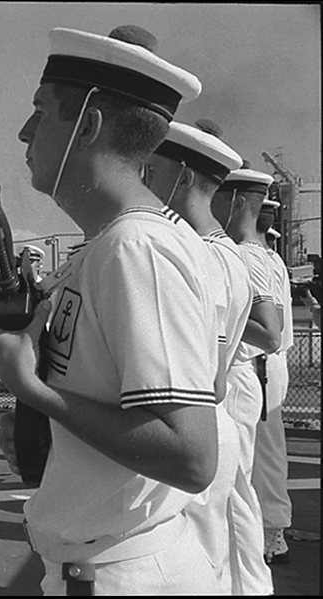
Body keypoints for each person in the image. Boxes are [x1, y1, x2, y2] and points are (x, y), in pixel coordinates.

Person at [0, 25, 222, 594]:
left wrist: (32, 388)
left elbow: (191, 457)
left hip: (123, 576)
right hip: (101, 564)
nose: (25, 131)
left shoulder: (135, 250)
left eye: (41, 111)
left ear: (87, 125)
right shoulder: (107, 247)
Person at [142, 119, 248, 593]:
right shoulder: (229, 255)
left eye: (153, 169)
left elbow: (212, 377)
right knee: (212, 561)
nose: (144, 178)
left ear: (182, 177)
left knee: (200, 565)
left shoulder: (201, 256)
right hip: (212, 422)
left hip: (197, 422)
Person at [211, 167, 281, 595]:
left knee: (235, 495)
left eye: (218, 196)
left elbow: (270, 333)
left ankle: (250, 588)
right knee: (231, 491)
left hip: (238, 375)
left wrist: (219, 315)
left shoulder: (246, 255)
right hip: (239, 375)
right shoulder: (255, 254)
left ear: (236, 202)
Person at [253, 197, 294, 566]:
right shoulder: (273, 260)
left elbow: (272, 326)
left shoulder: (259, 260)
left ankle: (272, 533)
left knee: (264, 453)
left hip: (261, 363)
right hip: (270, 362)